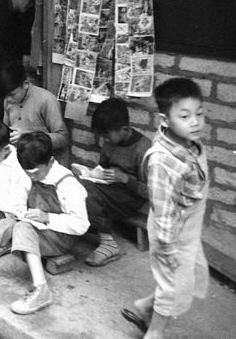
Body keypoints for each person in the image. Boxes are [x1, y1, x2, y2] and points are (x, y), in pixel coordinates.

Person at [0, 132, 89, 316]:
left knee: (22, 226)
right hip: (37, 230)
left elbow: (81, 225)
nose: (33, 177)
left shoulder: (68, 184)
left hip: (61, 238)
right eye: (28, 173)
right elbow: (18, 199)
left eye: (35, 172)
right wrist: (19, 209)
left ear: (50, 161)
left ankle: (41, 289)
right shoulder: (30, 175)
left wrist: (48, 217)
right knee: (9, 222)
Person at [122, 78, 209, 339]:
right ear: (164, 119)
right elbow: (163, 211)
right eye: (185, 116)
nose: (195, 121)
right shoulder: (162, 161)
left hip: (187, 227)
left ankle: (145, 306)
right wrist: (167, 246)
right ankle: (156, 333)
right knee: (173, 286)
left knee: (185, 277)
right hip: (171, 231)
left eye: (199, 114)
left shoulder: (189, 144)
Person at [80, 98, 152, 266]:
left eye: (107, 135)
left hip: (131, 197)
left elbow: (151, 192)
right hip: (110, 190)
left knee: (88, 193)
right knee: (75, 186)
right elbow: (103, 166)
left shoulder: (144, 149)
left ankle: (108, 244)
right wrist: (94, 174)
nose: (104, 140)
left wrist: (125, 179)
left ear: (124, 129)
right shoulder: (110, 142)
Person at [0, 61, 70, 166]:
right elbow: (6, 131)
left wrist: (29, 136)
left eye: (12, 95)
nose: (8, 99)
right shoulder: (8, 101)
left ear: (25, 84)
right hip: (19, 164)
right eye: (5, 95)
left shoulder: (46, 100)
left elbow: (63, 138)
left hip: (45, 165)